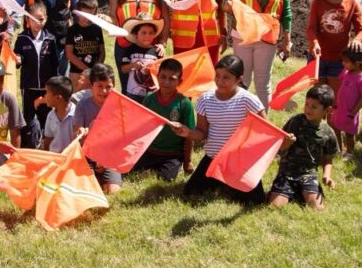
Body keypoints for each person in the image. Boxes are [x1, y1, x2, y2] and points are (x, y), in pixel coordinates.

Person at [171, 55, 268, 204]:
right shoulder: (205, 99)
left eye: (226, 77)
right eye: (217, 75)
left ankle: (228, 181)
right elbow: (202, 133)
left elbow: (266, 129)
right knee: (191, 192)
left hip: (239, 162)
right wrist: (188, 133)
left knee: (255, 201)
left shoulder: (249, 100)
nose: (220, 81)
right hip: (213, 159)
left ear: (239, 79)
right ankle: (222, 180)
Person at [226, 0, 293, 109]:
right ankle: (240, 117)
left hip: (267, 38)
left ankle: (262, 121)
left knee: (263, 82)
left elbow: (286, 12)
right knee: (243, 80)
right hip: (243, 37)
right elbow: (227, 2)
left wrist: (287, 40)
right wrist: (229, 5)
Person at [268, 84, 339, 209]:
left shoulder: (328, 132)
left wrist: (327, 175)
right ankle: (291, 192)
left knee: (317, 208)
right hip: (286, 173)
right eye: (307, 104)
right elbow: (278, 149)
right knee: (275, 206)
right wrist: (286, 144)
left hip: (308, 175)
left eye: (314, 107)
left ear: (327, 110)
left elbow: (328, 159)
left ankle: (302, 192)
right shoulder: (295, 121)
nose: (308, 109)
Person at [109, 0, 167, 88]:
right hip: (124, 46)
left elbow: (165, 18)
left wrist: (163, 43)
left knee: (150, 87)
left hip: (150, 45)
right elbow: (113, 17)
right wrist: (105, 19)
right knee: (127, 87)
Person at [306, 0, 362, 94]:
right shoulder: (318, 2)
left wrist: (357, 40)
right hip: (318, 56)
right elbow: (311, 28)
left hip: (341, 59)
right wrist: (314, 42)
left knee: (335, 98)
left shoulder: (352, 4)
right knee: (318, 97)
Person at [134, 58, 195, 179]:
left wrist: (187, 162)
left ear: (180, 81)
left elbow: (189, 136)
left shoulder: (184, 103)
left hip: (172, 154)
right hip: (150, 150)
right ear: (157, 77)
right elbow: (141, 128)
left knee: (167, 178)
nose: (166, 82)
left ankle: (171, 167)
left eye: (172, 79)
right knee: (130, 171)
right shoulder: (149, 99)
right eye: (163, 77)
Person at [13, 2, 60, 148]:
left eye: (41, 19)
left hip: (46, 88)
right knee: (28, 117)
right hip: (29, 86)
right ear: (28, 20)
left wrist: (53, 84)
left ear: (46, 19)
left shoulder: (50, 39)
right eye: (33, 19)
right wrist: (18, 59)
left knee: (45, 115)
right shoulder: (22, 38)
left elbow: (55, 63)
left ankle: (46, 143)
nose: (37, 22)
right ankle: (28, 145)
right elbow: (17, 57)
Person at [72, 63, 123, 194]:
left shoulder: (118, 106)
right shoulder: (82, 105)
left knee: (112, 191)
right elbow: (77, 135)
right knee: (86, 190)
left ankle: (105, 178)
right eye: (99, 86)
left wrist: (105, 158)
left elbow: (121, 139)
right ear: (91, 86)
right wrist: (81, 132)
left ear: (114, 86)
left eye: (108, 87)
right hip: (87, 155)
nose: (104, 91)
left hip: (110, 155)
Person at [332, 45, 362, 160]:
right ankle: (338, 149)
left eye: (346, 61)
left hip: (350, 112)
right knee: (336, 128)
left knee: (349, 133)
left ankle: (349, 152)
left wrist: (354, 111)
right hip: (341, 108)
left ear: (358, 64)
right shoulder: (347, 72)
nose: (343, 63)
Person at [120, 15, 166, 102]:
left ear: (154, 35)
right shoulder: (130, 49)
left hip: (152, 94)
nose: (147, 36)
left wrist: (153, 69)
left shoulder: (157, 51)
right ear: (136, 34)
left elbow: (163, 70)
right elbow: (123, 69)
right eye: (143, 33)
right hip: (133, 93)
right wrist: (133, 65)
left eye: (151, 33)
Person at [65, 0, 105, 90]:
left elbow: (102, 51)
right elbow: (69, 54)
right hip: (77, 73)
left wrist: (96, 69)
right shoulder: (72, 30)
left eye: (91, 15)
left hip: (95, 74)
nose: (88, 19)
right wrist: (87, 70)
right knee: (76, 97)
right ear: (78, 13)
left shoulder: (97, 29)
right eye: (85, 15)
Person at [42, 76, 75, 153]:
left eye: (47, 92)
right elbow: (47, 141)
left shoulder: (77, 115)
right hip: (54, 157)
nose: (45, 96)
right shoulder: (50, 116)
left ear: (58, 98)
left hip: (72, 157)